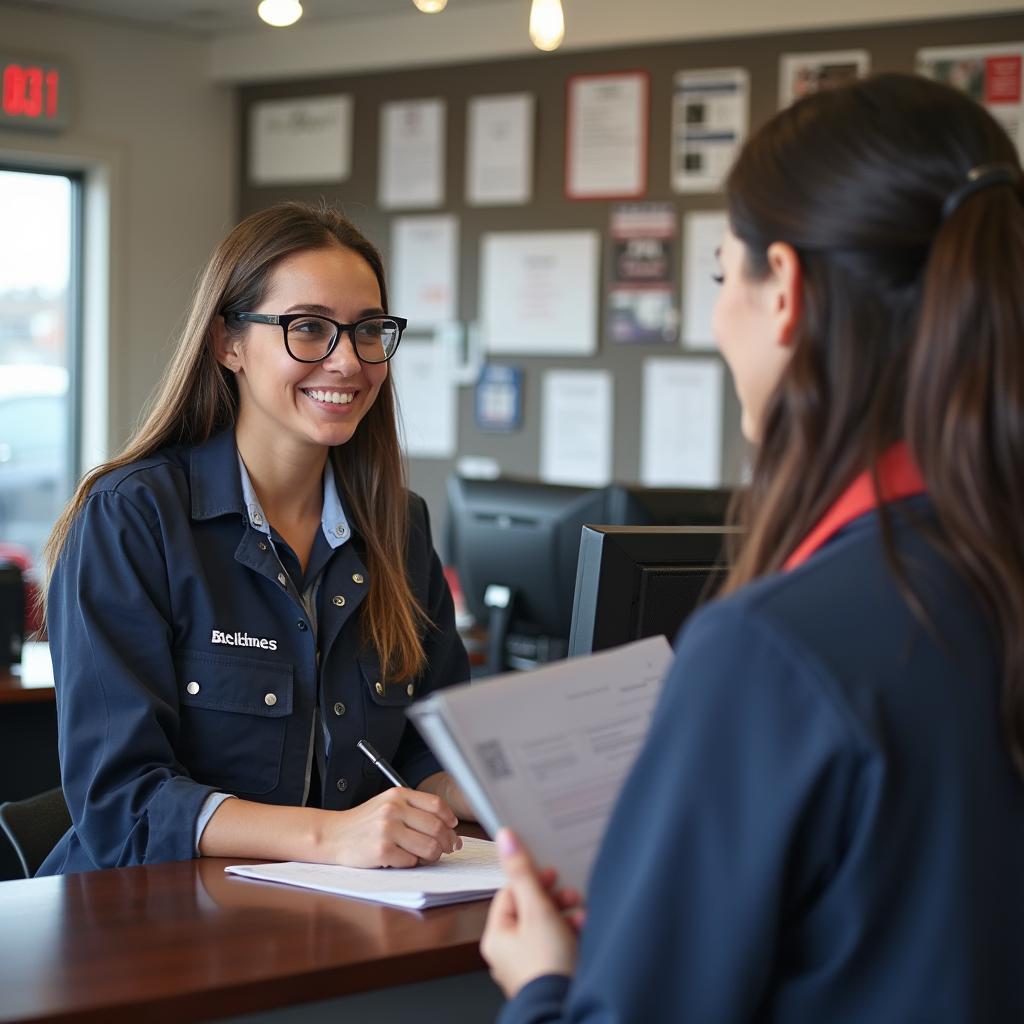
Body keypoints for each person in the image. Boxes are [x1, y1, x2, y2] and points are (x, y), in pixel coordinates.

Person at [481, 72, 1024, 1022]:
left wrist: (546, 984)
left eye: (723, 272)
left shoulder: (778, 650)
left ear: (788, 293)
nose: (715, 314)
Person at [38, 202, 473, 875]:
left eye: (367, 331)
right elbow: (120, 803)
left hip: (327, 914)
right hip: (134, 926)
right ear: (228, 343)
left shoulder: (397, 524)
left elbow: (421, 751)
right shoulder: (133, 516)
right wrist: (330, 836)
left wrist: (475, 791)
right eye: (308, 328)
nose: (347, 362)